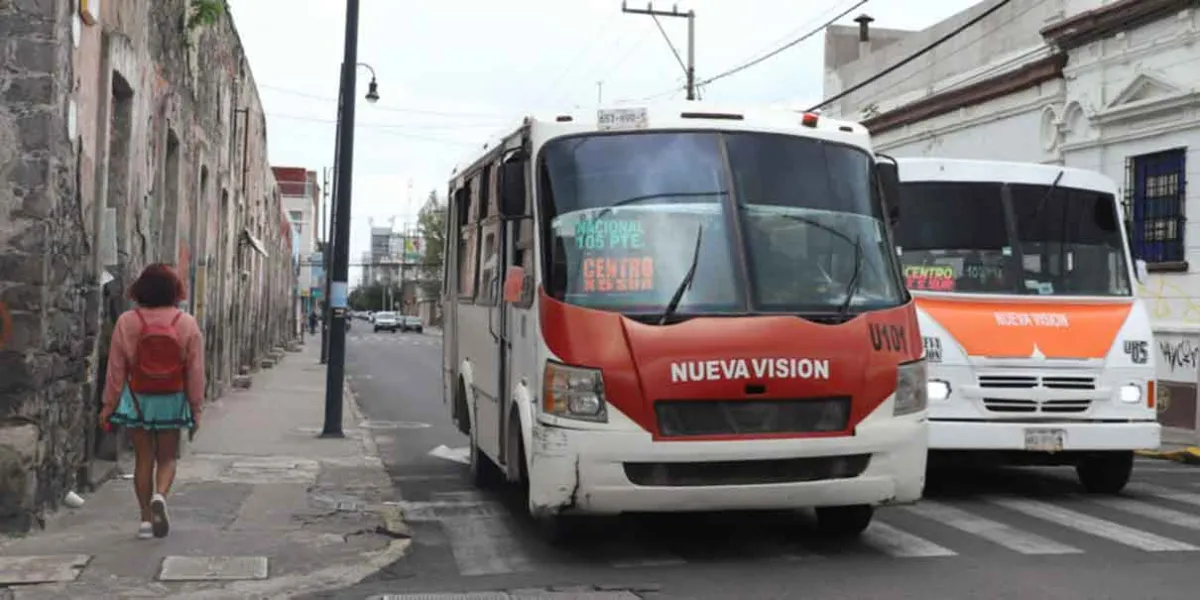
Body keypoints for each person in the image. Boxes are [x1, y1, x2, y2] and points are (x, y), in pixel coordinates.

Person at [98, 264, 204, 540]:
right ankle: (160, 495)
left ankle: (146, 519)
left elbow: (115, 369)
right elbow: (195, 371)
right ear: (174, 291)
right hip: (172, 398)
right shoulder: (186, 323)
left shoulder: (127, 321)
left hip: (137, 399)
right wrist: (196, 408)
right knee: (167, 456)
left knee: (143, 458)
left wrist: (108, 405)